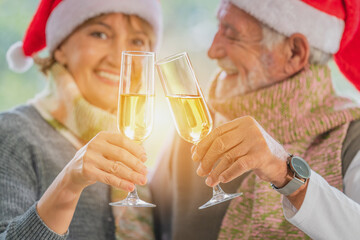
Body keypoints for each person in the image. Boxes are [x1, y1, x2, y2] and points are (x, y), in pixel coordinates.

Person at [150, 0, 360, 239]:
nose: (212, 51)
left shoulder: (353, 139)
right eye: (218, 27)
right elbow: (144, 213)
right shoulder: (195, 123)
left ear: (294, 52)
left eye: (231, 34)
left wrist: (285, 172)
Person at [0, 0, 161, 239]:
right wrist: (68, 185)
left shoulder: (138, 145)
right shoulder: (11, 133)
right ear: (60, 47)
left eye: (137, 41)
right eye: (100, 34)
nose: (119, 58)